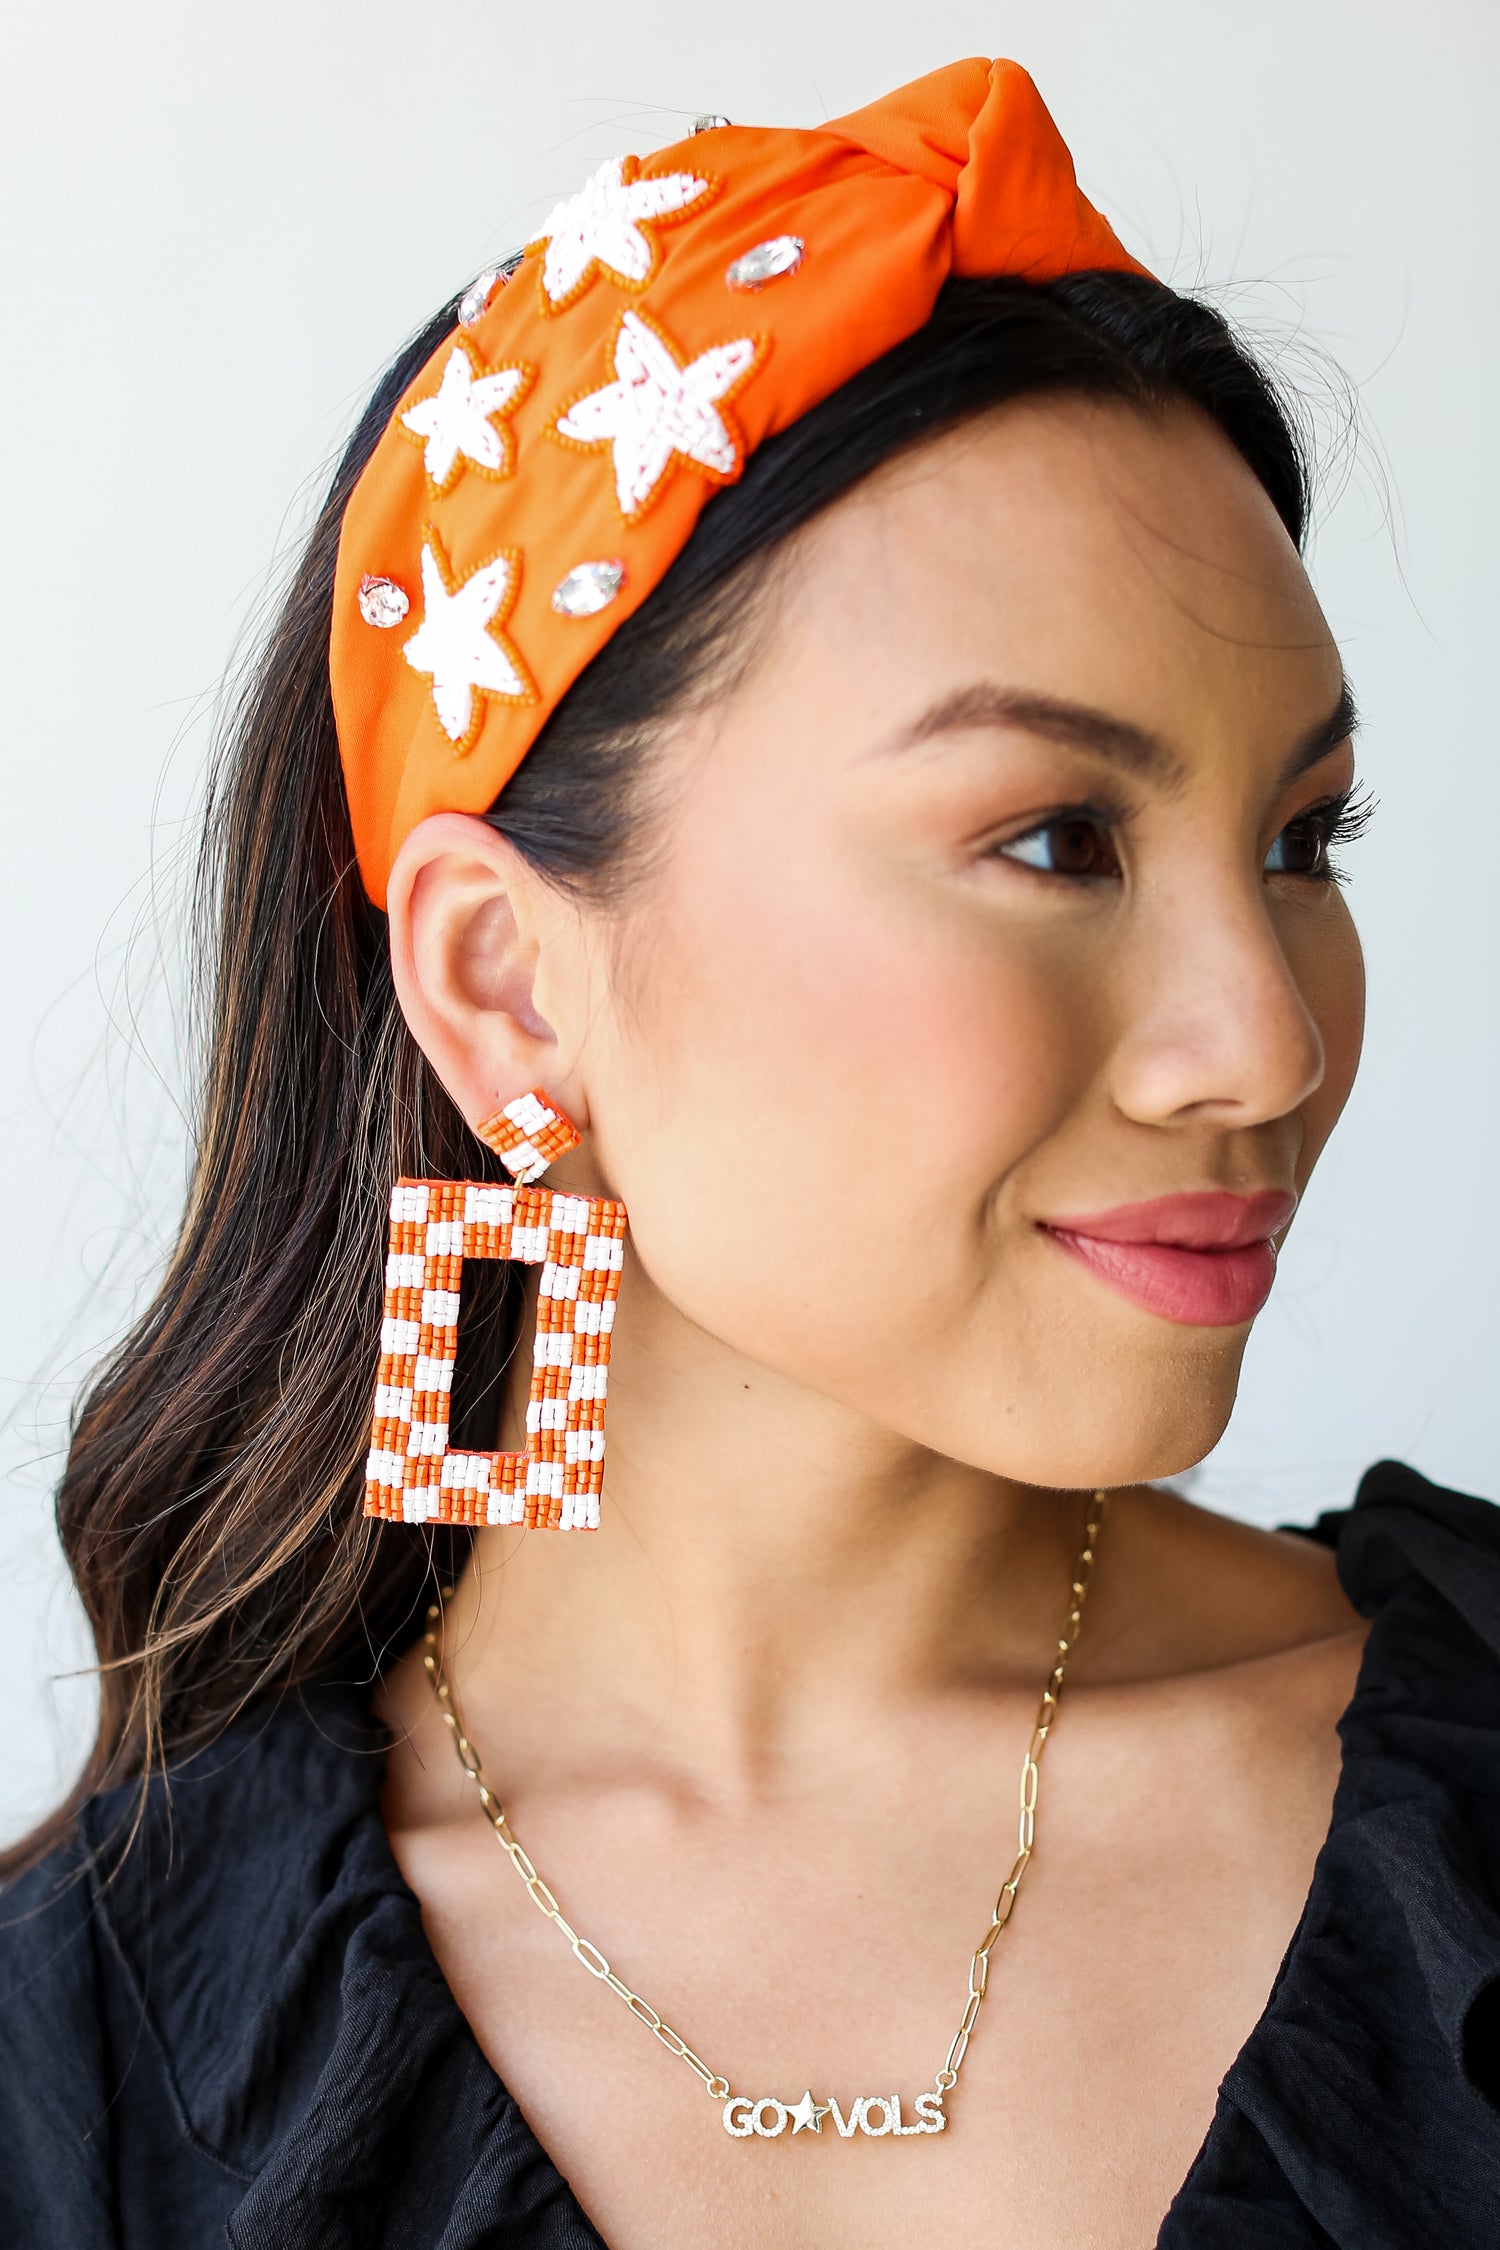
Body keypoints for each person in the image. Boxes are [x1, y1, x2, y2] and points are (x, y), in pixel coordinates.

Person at [1, 54, 1496, 2250]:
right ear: (509, 983)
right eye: (1058, 838)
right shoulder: (95, 2072)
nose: (1259, 1037)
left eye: (1302, 841)